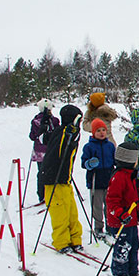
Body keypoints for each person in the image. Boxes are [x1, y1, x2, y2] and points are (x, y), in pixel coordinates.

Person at [40, 104, 84, 253]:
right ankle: (61, 241)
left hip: (65, 178)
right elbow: (43, 139)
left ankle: (75, 239)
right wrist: (44, 122)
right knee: (60, 213)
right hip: (53, 178)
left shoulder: (70, 132)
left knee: (72, 212)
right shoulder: (63, 132)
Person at [105, 142, 139, 276]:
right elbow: (112, 201)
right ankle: (120, 272)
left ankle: (133, 270)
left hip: (131, 220)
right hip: (120, 221)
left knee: (134, 244)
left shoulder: (130, 175)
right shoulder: (119, 177)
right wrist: (121, 214)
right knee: (123, 246)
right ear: (130, 161)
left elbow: (130, 195)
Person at [81, 118, 115, 241]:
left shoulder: (110, 146)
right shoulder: (89, 147)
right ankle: (98, 227)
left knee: (109, 205)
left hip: (108, 178)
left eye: (103, 130)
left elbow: (114, 160)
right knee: (97, 206)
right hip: (95, 180)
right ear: (93, 132)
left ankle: (110, 225)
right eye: (98, 131)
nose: (101, 133)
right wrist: (89, 163)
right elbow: (83, 163)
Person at [29, 99, 60, 205]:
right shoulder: (54, 120)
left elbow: (32, 136)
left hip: (39, 151)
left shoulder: (35, 121)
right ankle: (52, 193)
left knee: (41, 172)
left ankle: (42, 195)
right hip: (52, 150)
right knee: (53, 172)